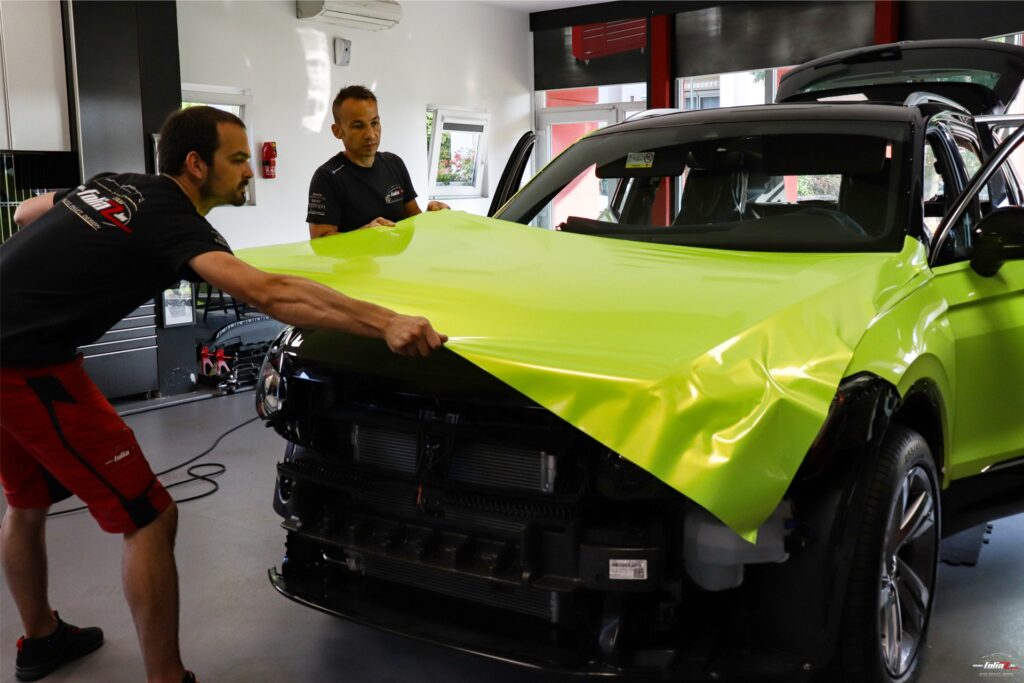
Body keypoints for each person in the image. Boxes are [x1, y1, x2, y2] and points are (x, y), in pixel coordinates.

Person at [0, 106, 446, 683]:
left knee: (27, 501)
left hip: (13, 347)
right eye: (237, 159)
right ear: (196, 164)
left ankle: (41, 639)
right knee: (150, 517)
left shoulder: (118, 185)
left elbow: (27, 211)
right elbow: (269, 293)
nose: (249, 171)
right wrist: (385, 321)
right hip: (25, 365)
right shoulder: (174, 219)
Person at [306, 85, 449, 238]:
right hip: (359, 255)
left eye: (374, 123)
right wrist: (363, 235)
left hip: (400, 254)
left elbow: (413, 215)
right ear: (337, 131)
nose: (370, 135)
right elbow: (319, 241)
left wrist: (432, 215)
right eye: (358, 126)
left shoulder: (394, 163)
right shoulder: (327, 177)